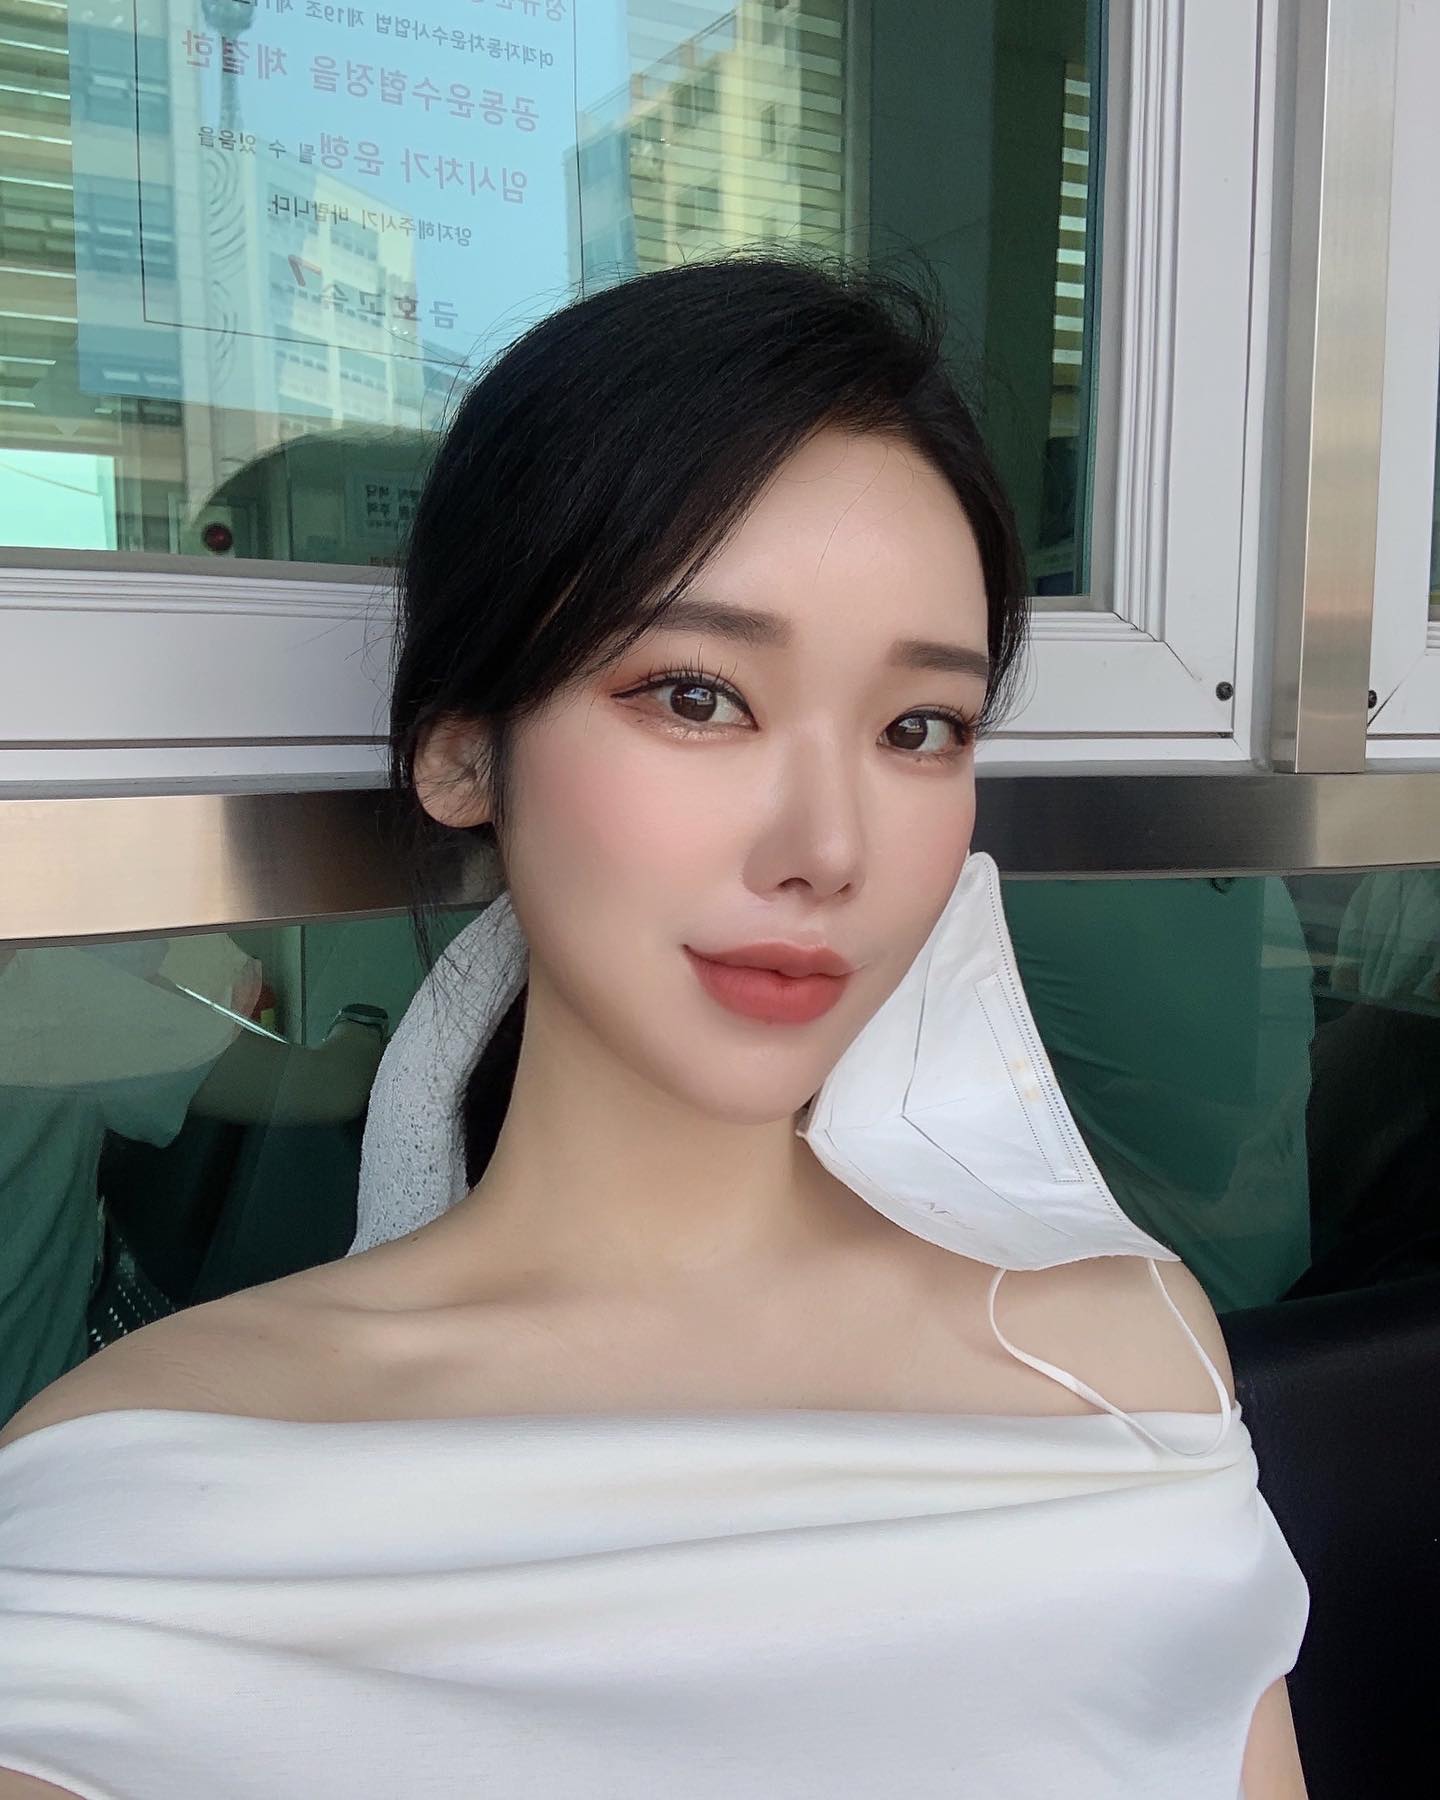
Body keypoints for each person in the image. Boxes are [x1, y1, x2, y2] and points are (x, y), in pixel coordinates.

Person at [0, 254, 1309, 1799]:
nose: (827, 848)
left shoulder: (1123, 1366)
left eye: (918, 728)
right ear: (463, 752)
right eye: (698, 697)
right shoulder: (137, 1522)